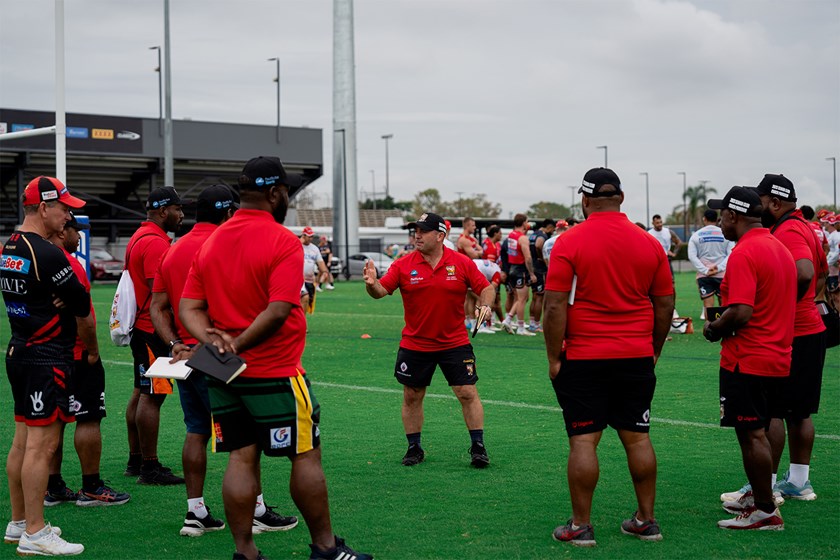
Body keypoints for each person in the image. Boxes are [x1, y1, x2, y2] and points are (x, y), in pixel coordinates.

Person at [180, 156, 371, 560]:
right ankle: (324, 548)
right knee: (304, 454)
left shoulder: (213, 240)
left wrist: (215, 342)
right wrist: (239, 343)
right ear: (275, 193)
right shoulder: (282, 240)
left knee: (240, 456)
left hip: (225, 374)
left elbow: (189, 308)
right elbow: (279, 309)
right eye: (286, 191)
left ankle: (245, 552)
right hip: (276, 370)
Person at [150, 185, 299, 538]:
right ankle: (257, 510)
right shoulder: (224, 243)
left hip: (185, 354)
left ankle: (195, 511)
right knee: (246, 444)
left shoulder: (173, 249)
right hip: (223, 356)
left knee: (196, 431)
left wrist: (174, 342)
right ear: (228, 210)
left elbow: (158, 305)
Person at [543, 168, 674, 547]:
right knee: (638, 439)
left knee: (584, 442)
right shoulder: (649, 242)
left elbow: (554, 306)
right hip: (635, 355)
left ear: (584, 201)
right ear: (621, 199)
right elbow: (665, 304)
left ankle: (581, 526)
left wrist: (554, 357)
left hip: (584, 357)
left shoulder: (570, 241)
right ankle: (646, 520)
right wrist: (654, 349)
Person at [719, 175, 827, 507]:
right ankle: (796, 481)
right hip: (803, 326)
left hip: (786, 332)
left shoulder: (789, 231)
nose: (758, 205)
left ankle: (765, 490)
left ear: (774, 203)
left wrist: (777, 305)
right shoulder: (805, 226)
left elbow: (806, 272)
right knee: (797, 412)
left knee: (774, 414)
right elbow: (821, 274)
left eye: (762, 199)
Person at [363, 212, 496, 468]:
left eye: (423, 231)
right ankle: (414, 448)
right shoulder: (403, 264)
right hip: (415, 344)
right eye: (415, 231)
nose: (417, 235)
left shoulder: (461, 262)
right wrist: (371, 283)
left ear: (440, 235)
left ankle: (478, 446)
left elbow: (486, 288)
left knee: (467, 392)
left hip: (455, 342)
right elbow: (380, 291)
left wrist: (485, 306)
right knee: (412, 395)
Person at [2, 176, 90, 555]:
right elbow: (82, 304)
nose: (68, 214)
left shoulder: (10, 245)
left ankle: (19, 521)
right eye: (64, 207)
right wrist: (66, 300)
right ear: (43, 208)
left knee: (23, 442)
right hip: (45, 356)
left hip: (19, 351)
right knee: (41, 446)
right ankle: (36, 532)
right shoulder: (48, 253)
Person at [704, 186, 796, 530]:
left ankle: (764, 510)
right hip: (778, 355)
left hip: (748, 358)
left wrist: (714, 328)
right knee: (765, 425)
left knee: (751, 434)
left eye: (723, 215)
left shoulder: (745, 252)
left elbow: (741, 311)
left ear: (732, 216)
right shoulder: (778, 246)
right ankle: (761, 497)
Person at [44, 214, 131, 508]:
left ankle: (53, 486)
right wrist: (93, 351)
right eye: (75, 230)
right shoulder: (69, 265)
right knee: (89, 417)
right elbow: (84, 317)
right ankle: (91, 486)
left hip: (49, 353)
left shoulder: (41, 260)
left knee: (54, 420)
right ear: (61, 230)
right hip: (77, 353)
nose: (79, 237)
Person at [123, 186, 186, 485]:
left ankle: (136, 460)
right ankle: (149, 466)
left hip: (141, 326)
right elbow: (159, 290)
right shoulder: (156, 244)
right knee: (153, 394)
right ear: (164, 211)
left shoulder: (140, 236)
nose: (181, 214)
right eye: (178, 209)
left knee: (141, 391)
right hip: (151, 328)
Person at [687, 209, 734, 318]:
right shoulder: (725, 234)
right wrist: (718, 268)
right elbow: (731, 253)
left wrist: (705, 270)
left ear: (704, 219)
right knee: (724, 305)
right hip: (722, 275)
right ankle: (725, 330)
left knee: (708, 307)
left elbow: (692, 256)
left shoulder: (696, 235)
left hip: (704, 276)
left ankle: (711, 330)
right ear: (717, 219)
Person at [500, 213, 537, 336]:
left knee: (520, 298)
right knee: (522, 299)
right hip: (521, 270)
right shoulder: (522, 238)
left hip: (512, 269)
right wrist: (532, 273)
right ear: (523, 223)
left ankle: (508, 319)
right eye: (527, 221)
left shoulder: (511, 235)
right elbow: (528, 258)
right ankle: (521, 328)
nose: (529, 224)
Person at [527, 218, 555, 332]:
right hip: (539, 268)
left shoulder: (533, 234)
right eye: (552, 229)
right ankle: (537, 324)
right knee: (539, 296)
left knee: (534, 296)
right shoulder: (542, 236)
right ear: (549, 227)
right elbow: (539, 245)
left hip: (533, 268)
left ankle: (532, 322)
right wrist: (542, 257)